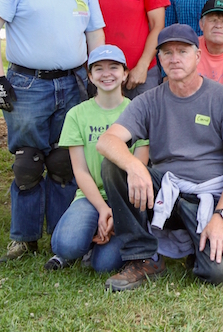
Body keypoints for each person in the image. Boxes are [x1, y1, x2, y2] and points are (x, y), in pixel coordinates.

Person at [0, 0, 104, 263]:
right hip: (27, 83)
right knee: (28, 163)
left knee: (65, 161)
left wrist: (97, 75)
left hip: (74, 81)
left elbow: (95, 33)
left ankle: (64, 237)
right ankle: (24, 239)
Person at [97, 24, 223, 291]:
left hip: (210, 194)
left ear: (198, 56)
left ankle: (197, 241)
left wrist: (221, 215)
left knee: (222, 273)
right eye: (167, 53)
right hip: (165, 190)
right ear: (159, 59)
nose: (174, 58)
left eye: (182, 51)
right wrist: (135, 165)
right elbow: (107, 141)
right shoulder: (148, 101)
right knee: (114, 164)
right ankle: (142, 258)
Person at [46, 45, 148, 272]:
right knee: (66, 245)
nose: (107, 74)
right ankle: (82, 238)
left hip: (125, 197)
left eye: (114, 67)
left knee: (104, 265)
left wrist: (116, 210)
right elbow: (80, 171)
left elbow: (140, 165)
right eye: (99, 69)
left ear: (125, 73)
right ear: (90, 76)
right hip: (91, 197)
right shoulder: (77, 114)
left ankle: (96, 244)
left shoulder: (139, 111)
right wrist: (103, 208)